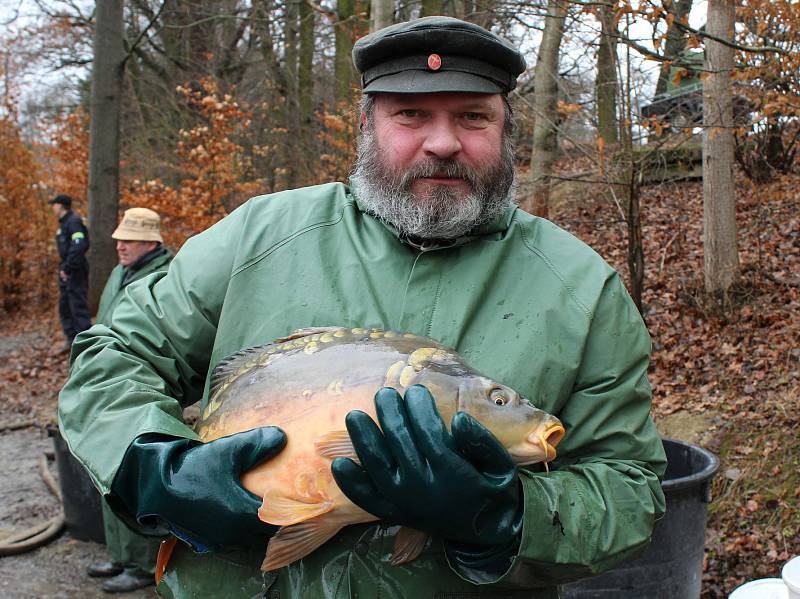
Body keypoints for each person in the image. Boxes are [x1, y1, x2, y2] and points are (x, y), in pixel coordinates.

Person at [59, 17, 667, 599]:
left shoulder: (583, 291)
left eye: (473, 117)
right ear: (368, 124)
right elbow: (116, 357)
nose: (444, 142)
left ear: (506, 130)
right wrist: (156, 467)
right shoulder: (258, 236)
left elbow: (628, 487)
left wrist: (504, 518)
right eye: (411, 114)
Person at [86, 207, 173, 593]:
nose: (120, 246)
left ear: (151, 242)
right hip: (109, 385)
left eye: (129, 239)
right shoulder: (122, 271)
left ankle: (142, 564)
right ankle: (121, 555)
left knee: (134, 474)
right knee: (107, 468)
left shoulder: (167, 274)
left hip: (144, 389)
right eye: (120, 238)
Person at [50, 194, 90, 348]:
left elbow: (79, 245)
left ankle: (86, 343)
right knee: (65, 305)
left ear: (60, 205)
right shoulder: (64, 224)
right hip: (66, 268)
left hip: (75, 269)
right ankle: (72, 340)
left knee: (77, 305)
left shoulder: (73, 222)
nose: (53, 207)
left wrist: (68, 267)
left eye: (54, 204)